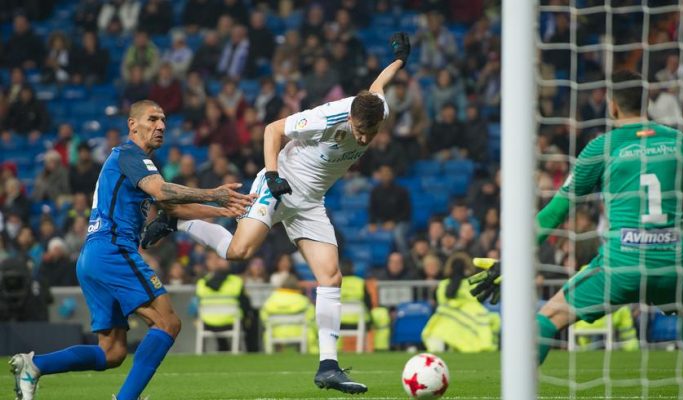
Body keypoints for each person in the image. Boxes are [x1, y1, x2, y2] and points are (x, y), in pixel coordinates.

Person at [467, 71, 683, 400]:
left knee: (551, 316)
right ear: (646, 102)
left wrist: (512, 260)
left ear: (612, 106)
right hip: (669, 264)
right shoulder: (679, 142)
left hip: (621, 265)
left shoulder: (601, 147)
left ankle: (519, 394)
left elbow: (554, 214)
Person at [141, 32, 412, 394]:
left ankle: (328, 367)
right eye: (361, 132)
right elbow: (272, 129)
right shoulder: (326, 117)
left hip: (311, 201)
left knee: (331, 277)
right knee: (239, 252)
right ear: (350, 117)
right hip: (279, 184)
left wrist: (399, 61)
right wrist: (272, 175)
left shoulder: (376, 108)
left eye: (372, 133)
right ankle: (179, 218)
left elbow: (378, 84)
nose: (364, 140)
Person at [9, 100, 254, 400]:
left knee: (111, 352)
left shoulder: (137, 164)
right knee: (168, 322)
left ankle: (34, 365)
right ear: (132, 125)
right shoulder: (130, 154)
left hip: (93, 257)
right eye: (152, 119)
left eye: (163, 120)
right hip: (113, 250)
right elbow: (162, 191)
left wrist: (223, 210)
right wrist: (215, 194)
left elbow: (171, 207)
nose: (161, 125)